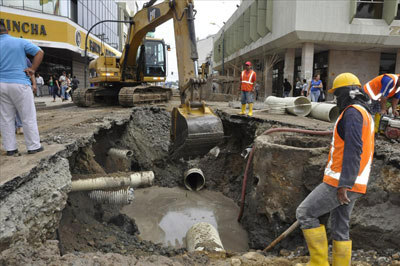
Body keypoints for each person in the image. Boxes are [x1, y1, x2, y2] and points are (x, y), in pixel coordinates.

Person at [295, 73, 374, 266]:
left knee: (305, 213)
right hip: (356, 181)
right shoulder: (364, 112)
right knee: (340, 225)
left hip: (341, 181)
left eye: (337, 94)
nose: (336, 99)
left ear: (346, 93)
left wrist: (344, 184)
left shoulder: (352, 113)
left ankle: (319, 263)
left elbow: (354, 149)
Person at [0, 21, 44, 155]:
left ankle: (10, 149)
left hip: (1, 84)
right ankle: (33, 147)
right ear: (6, 30)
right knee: (27, 116)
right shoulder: (19, 42)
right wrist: (32, 69)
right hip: (20, 83)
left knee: (6, 118)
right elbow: (39, 52)